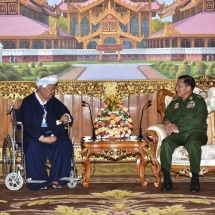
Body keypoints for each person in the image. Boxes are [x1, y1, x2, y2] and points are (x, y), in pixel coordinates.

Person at [19, 75, 73, 191]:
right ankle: (39, 181)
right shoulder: (28, 102)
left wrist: (66, 116)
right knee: (33, 146)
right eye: (50, 89)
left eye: (54, 89)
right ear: (41, 88)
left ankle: (56, 180)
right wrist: (41, 138)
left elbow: (67, 114)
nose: (53, 92)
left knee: (64, 143)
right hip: (34, 135)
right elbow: (27, 125)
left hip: (53, 133)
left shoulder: (53, 102)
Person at [160, 75, 208, 192]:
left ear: (188, 88)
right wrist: (167, 123)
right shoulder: (174, 102)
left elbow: (199, 120)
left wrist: (179, 128)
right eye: (176, 85)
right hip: (180, 135)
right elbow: (167, 116)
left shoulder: (198, 101)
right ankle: (167, 180)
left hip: (197, 133)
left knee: (192, 142)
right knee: (166, 142)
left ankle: (195, 180)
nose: (176, 88)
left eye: (179, 86)